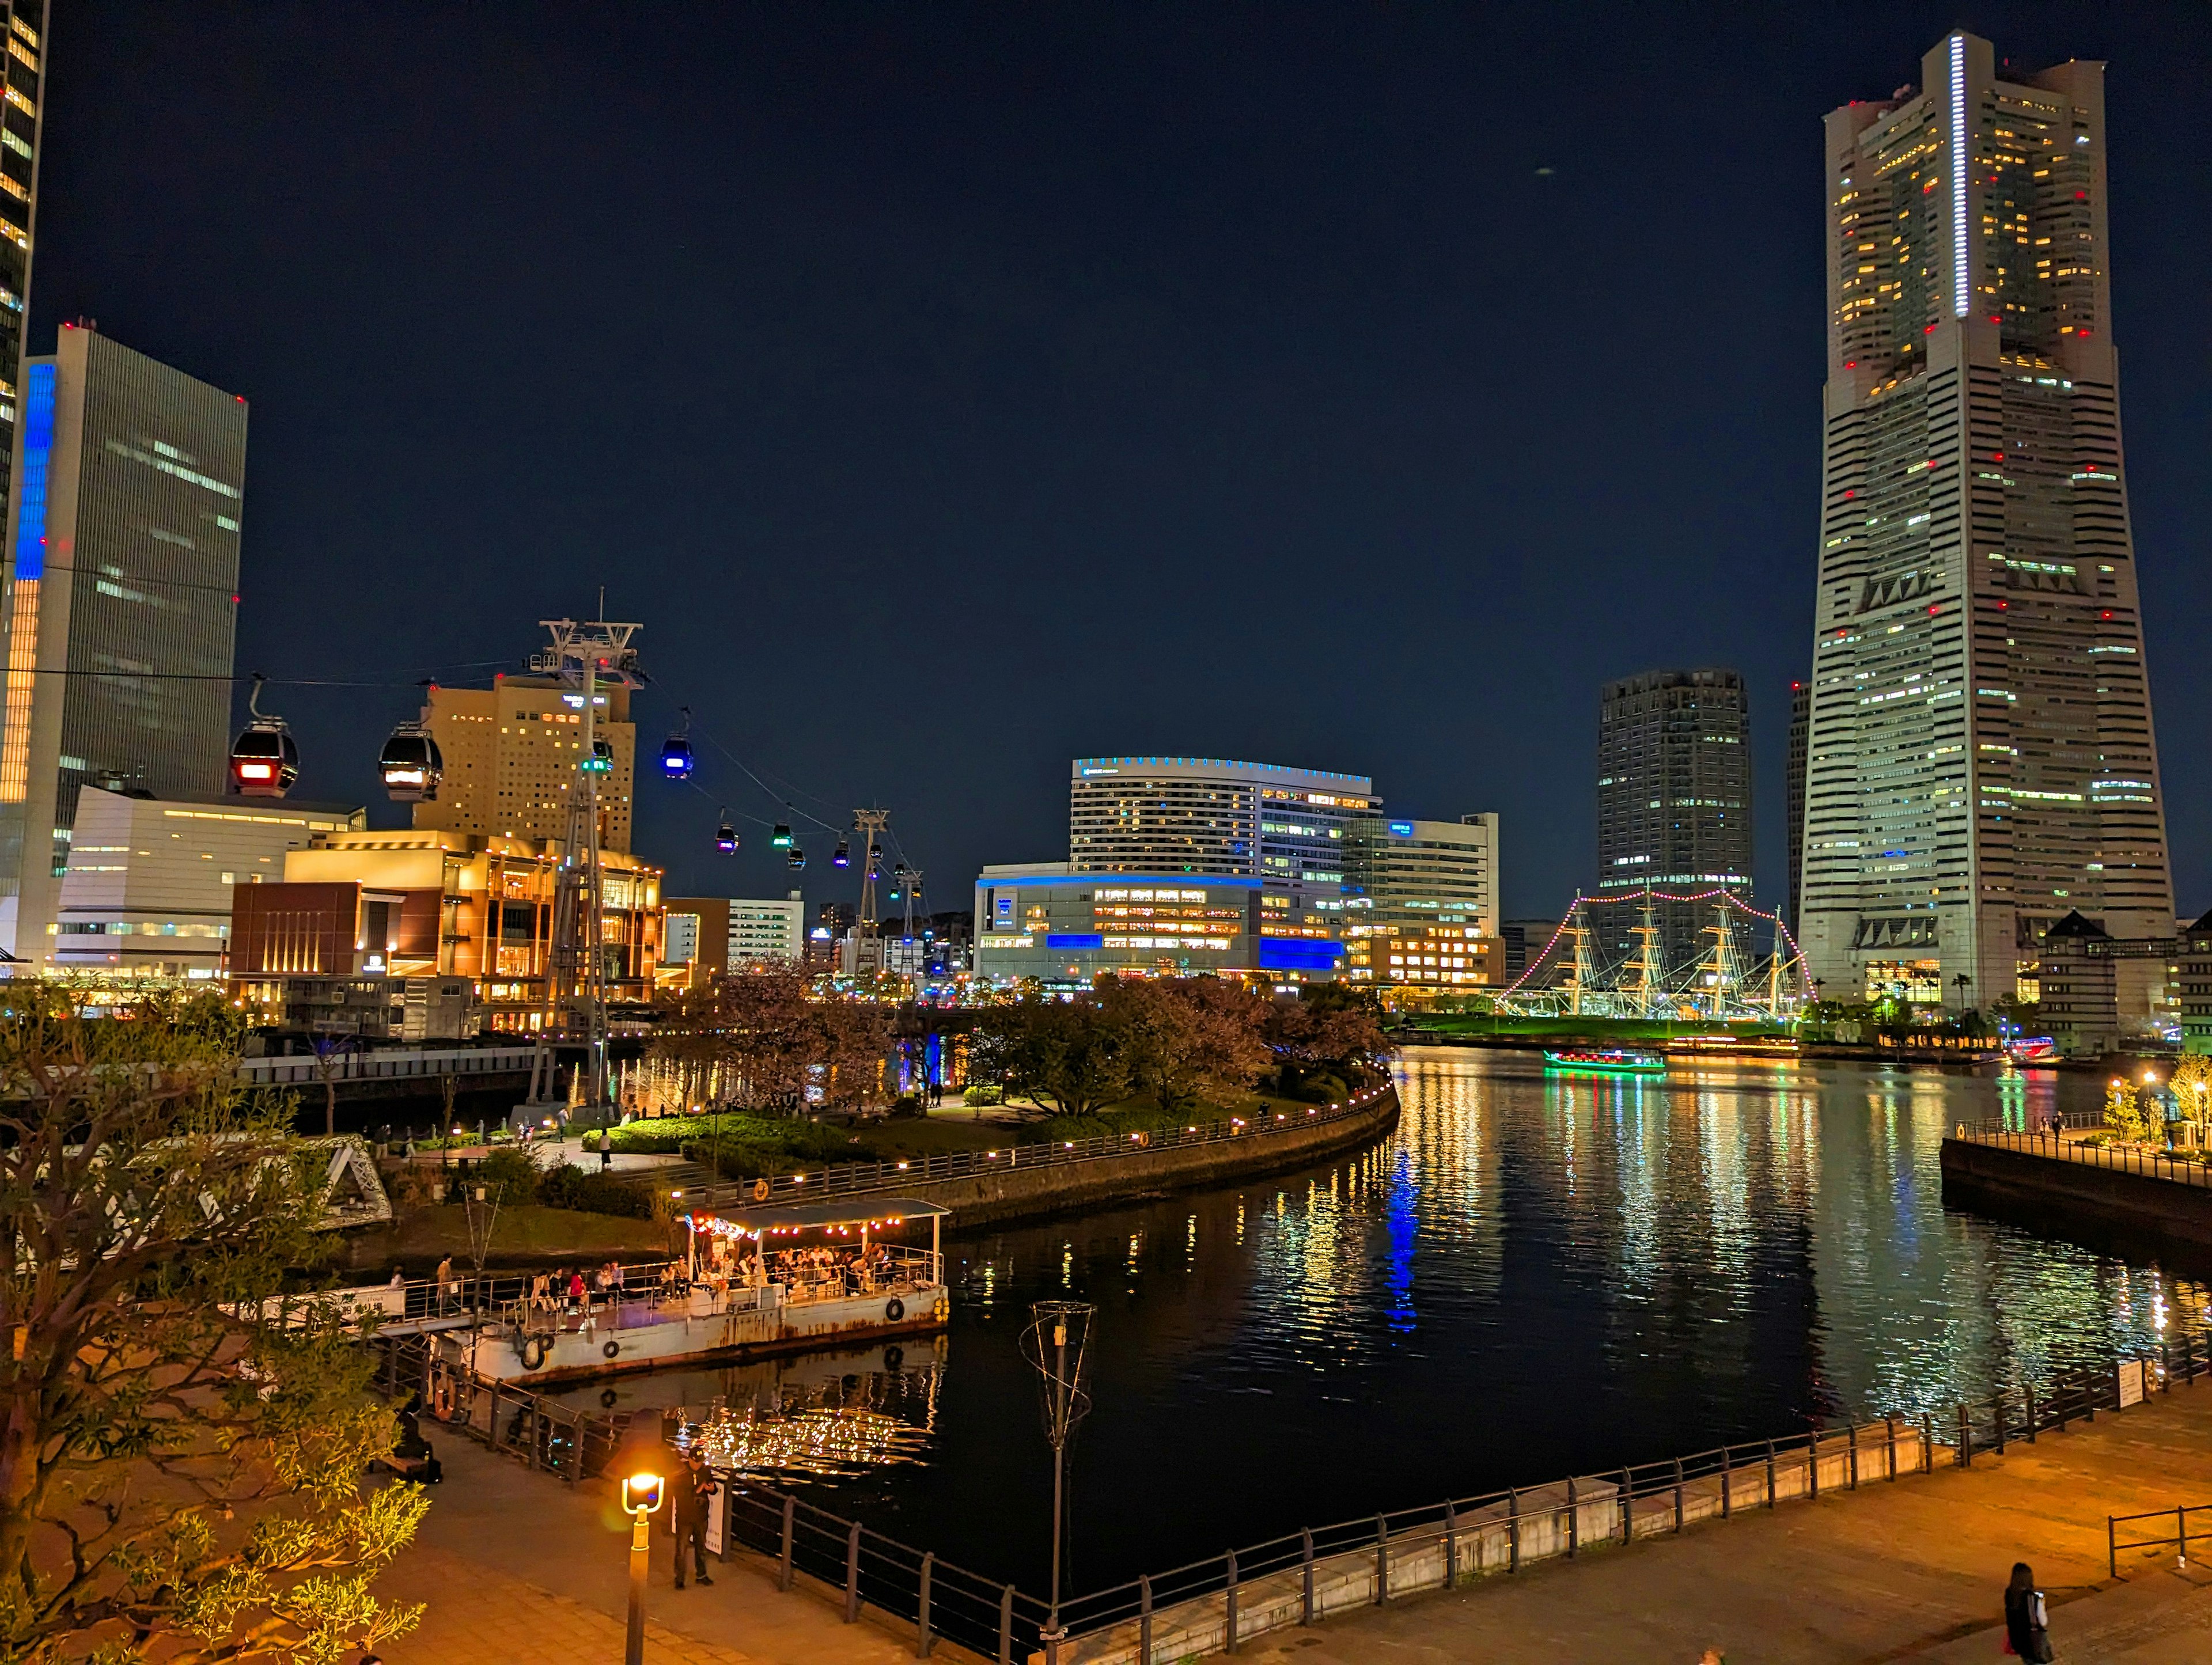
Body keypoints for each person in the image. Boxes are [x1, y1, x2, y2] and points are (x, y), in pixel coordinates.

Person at [669, 1451, 717, 1588]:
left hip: (701, 1517)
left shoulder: (706, 1471)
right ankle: (679, 1579)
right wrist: (698, 1489)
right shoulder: (680, 1472)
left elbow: (713, 1489)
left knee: (701, 1547)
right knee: (682, 1549)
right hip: (685, 1517)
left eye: (700, 1462)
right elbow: (679, 1495)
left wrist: (712, 1489)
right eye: (696, 1461)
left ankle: (701, 1575)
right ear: (690, 1460)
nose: (698, 1465)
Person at [2005, 1562, 2052, 1661]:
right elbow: (2043, 1621)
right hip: (2034, 1641)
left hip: (2018, 1639)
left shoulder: (2010, 1594)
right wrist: (2041, 1601)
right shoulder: (2031, 1598)